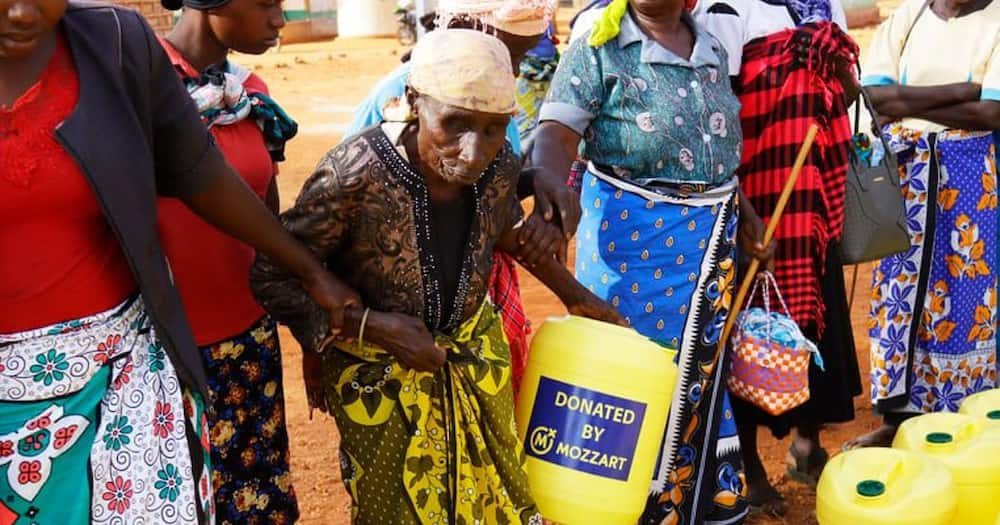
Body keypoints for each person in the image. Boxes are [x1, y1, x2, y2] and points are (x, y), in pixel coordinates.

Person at [0, 0, 355, 523]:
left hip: (125, 383)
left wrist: (309, 272)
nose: (25, 13)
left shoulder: (114, 47)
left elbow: (200, 172)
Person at [250, 28, 622, 524]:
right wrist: (373, 327)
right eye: (455, 124)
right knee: (395, 510)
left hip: (473, 359)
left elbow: (502, 231)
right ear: (413, 101)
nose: (473, 152)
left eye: (493, 129)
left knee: (499, 499)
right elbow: (273, 274)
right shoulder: (354, 173)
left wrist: (575, 295)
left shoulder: (498, 166)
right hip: (378, 380)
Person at [531, 0, 776, 522]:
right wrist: (548, 182)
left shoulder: (709, 45)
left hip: (710, 249)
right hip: (632, 252)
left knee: (699, 376)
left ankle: (693, 504)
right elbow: (554, 133)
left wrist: (747, 212)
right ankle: (629, 509)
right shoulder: (596, 48)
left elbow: (714, 147)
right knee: (634, 378)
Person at [346, 0, 581, 398]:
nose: (515, 72)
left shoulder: (493, 96)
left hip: (473, 289)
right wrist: (575, 295)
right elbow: (464, 203)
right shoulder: (419, 91)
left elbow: (482, 183)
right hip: (406, 304)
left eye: (521, 59)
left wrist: (531, 179)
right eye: (509, 55)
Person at [692, 0, 863, 515]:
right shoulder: (727, 6)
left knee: (814, 321)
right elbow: (719, 105)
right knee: (749, 324)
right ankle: (748, 463)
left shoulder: (821, 4)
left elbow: (850, 93)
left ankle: (808, 446)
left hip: (812, 200)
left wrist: (830, 69)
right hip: (759, 195)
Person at [157, 0, 300, 522]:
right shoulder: (142, 87)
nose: (279, 20)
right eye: (266, 4)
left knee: (256, 497)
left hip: (247, 340)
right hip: (164, 351)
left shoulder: (251, 95)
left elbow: (270, 221)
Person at [848, 0, 1000, 449]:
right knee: (902, 295)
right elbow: (873, 97)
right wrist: (964, 89)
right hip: (907, 180)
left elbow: (992, 114)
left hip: (973, 186)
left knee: (966, 298)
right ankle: (898, 420)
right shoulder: (908, 17)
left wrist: (908, 102)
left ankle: (968, 419)